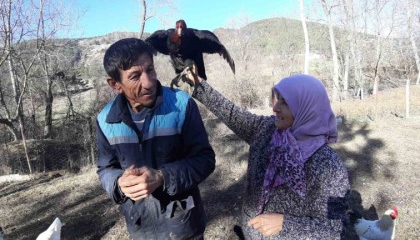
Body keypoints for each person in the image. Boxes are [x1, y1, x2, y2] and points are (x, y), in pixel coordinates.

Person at [183, 69, 350, 239]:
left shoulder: (327, 165)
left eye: (285, 103)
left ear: (306, 108)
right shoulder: (266, 130)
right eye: (278, 99)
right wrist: (199, 85)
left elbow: (334, 229)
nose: (275, 107)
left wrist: (285, 224)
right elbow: (233, 114)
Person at [96, 38, 216, 239]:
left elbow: (204, 160)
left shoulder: (181, 105)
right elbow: (105, 168)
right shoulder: (106, 120)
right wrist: (118, 183)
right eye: (135, 76)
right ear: (115, 84)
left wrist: (162, 177)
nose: (148, 83)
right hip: (140, 229)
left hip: (184, 226)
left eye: (150, 70)